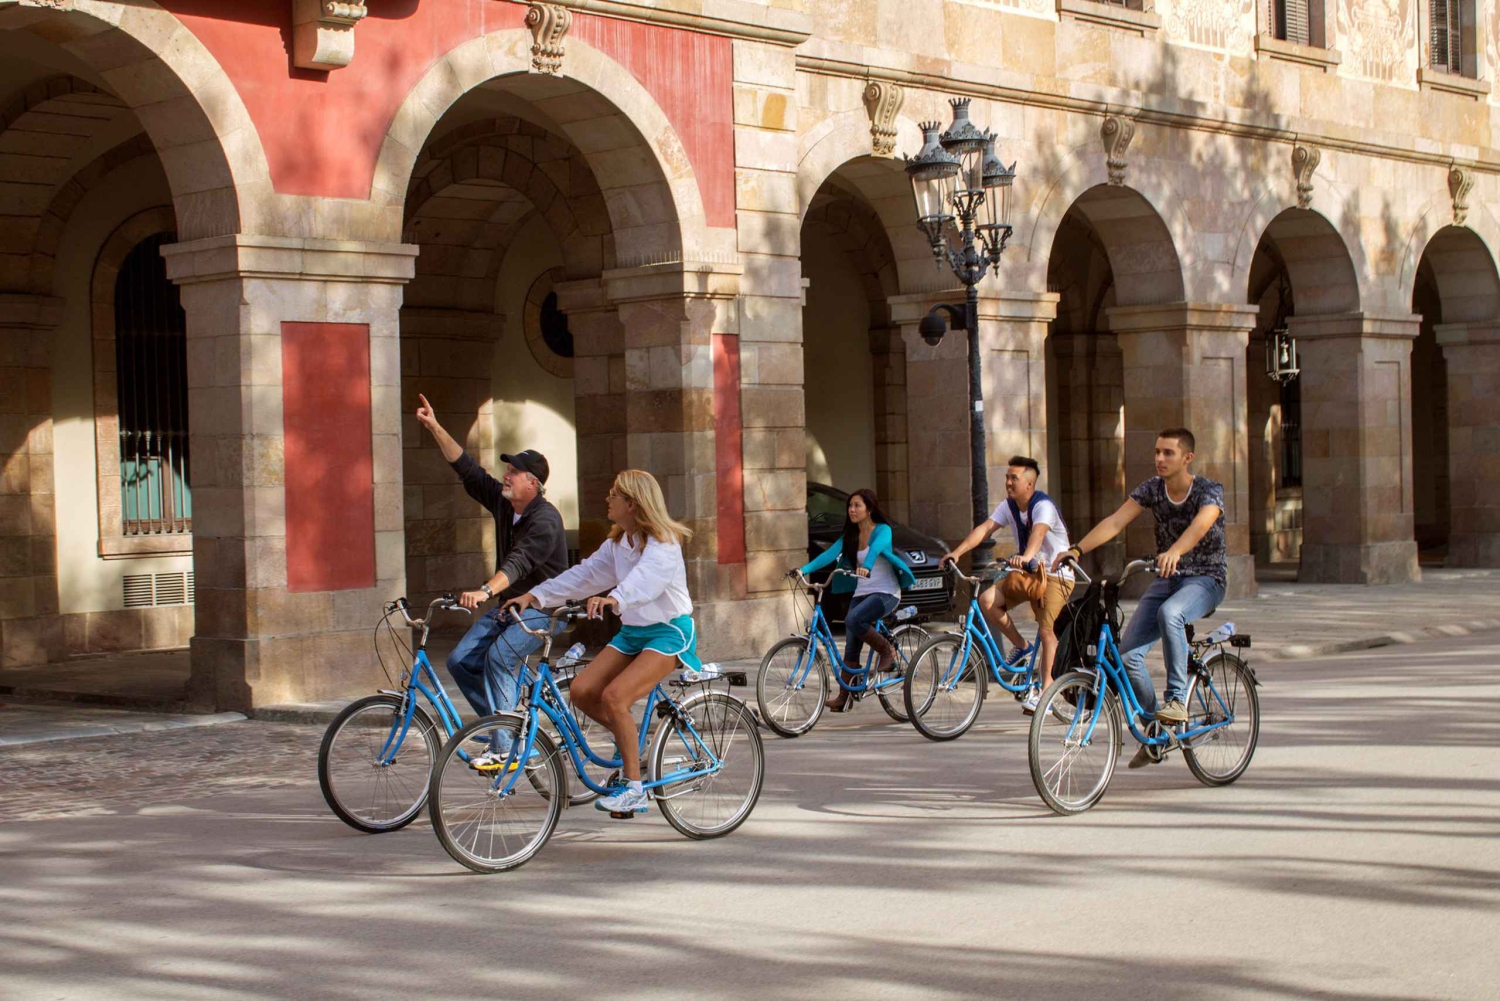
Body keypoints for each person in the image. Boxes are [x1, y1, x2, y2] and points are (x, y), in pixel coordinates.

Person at [504, 469, 702, 817]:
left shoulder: (664, 543)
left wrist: (615, 599)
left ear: (632, 503)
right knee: (581, 691)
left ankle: (634, 789)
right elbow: (583, 575)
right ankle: (632, 744)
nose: (607, 499)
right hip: (633, 633)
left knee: (614, 696)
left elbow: (647, 581)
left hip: (669, 632)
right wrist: (534, 596)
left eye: (614, 494)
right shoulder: (618, 545)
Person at [1051, 427, 1227, 769]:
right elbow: (1116, 521)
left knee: (1171, 614)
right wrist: (1077, 549)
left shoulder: (1209, 490)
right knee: (1127, 656)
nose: (1160, 458)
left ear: (1187, 458)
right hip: (1167, 579)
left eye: (1168, 453)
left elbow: (1201, 525)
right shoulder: (1152, 489)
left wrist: (1175, 551)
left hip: (1207, 579)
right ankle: (1157, 729)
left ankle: (1176, 701)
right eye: (1157, 452)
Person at [414, 393, 568, 769]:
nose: (506, 475)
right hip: (511, 607)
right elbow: (468, 470)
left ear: (532, 483)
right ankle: (505, 729)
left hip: (546, 609)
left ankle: (505, 746)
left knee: (499, 659)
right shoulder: (504, 503)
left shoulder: (545, 519)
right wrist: (435, 427)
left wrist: (484, 591)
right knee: (460, 661)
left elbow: (518, 564)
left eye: (513, 472)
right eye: (507, 470)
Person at [941, 456, 1075, 714]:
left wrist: (1026, 556)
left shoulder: (1043, 506)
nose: (1008, 482)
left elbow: (1038, 533)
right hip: (1028, 573)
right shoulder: (1009, 506)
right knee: (987, 601)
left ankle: (1046, 694)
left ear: (1030, 483)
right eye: (1007, 477)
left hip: (1056, 574)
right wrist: (957, 553)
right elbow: (985, 529)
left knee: (1047, 631)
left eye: (1014, 478)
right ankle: (1022, 646)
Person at [797, 488, 916, 712]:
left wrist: (867, 566)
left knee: (853, 619)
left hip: (886, 593)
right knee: (851, 646)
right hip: (862, 593)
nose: (852, 510)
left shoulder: (883, 530)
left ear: (869, 509)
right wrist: (803, 570)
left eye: (857, 505)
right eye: (850, 506)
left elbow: (876, 549)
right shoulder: (850, 535)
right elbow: (829, 554)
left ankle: (886, 650)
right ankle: (844, 697)